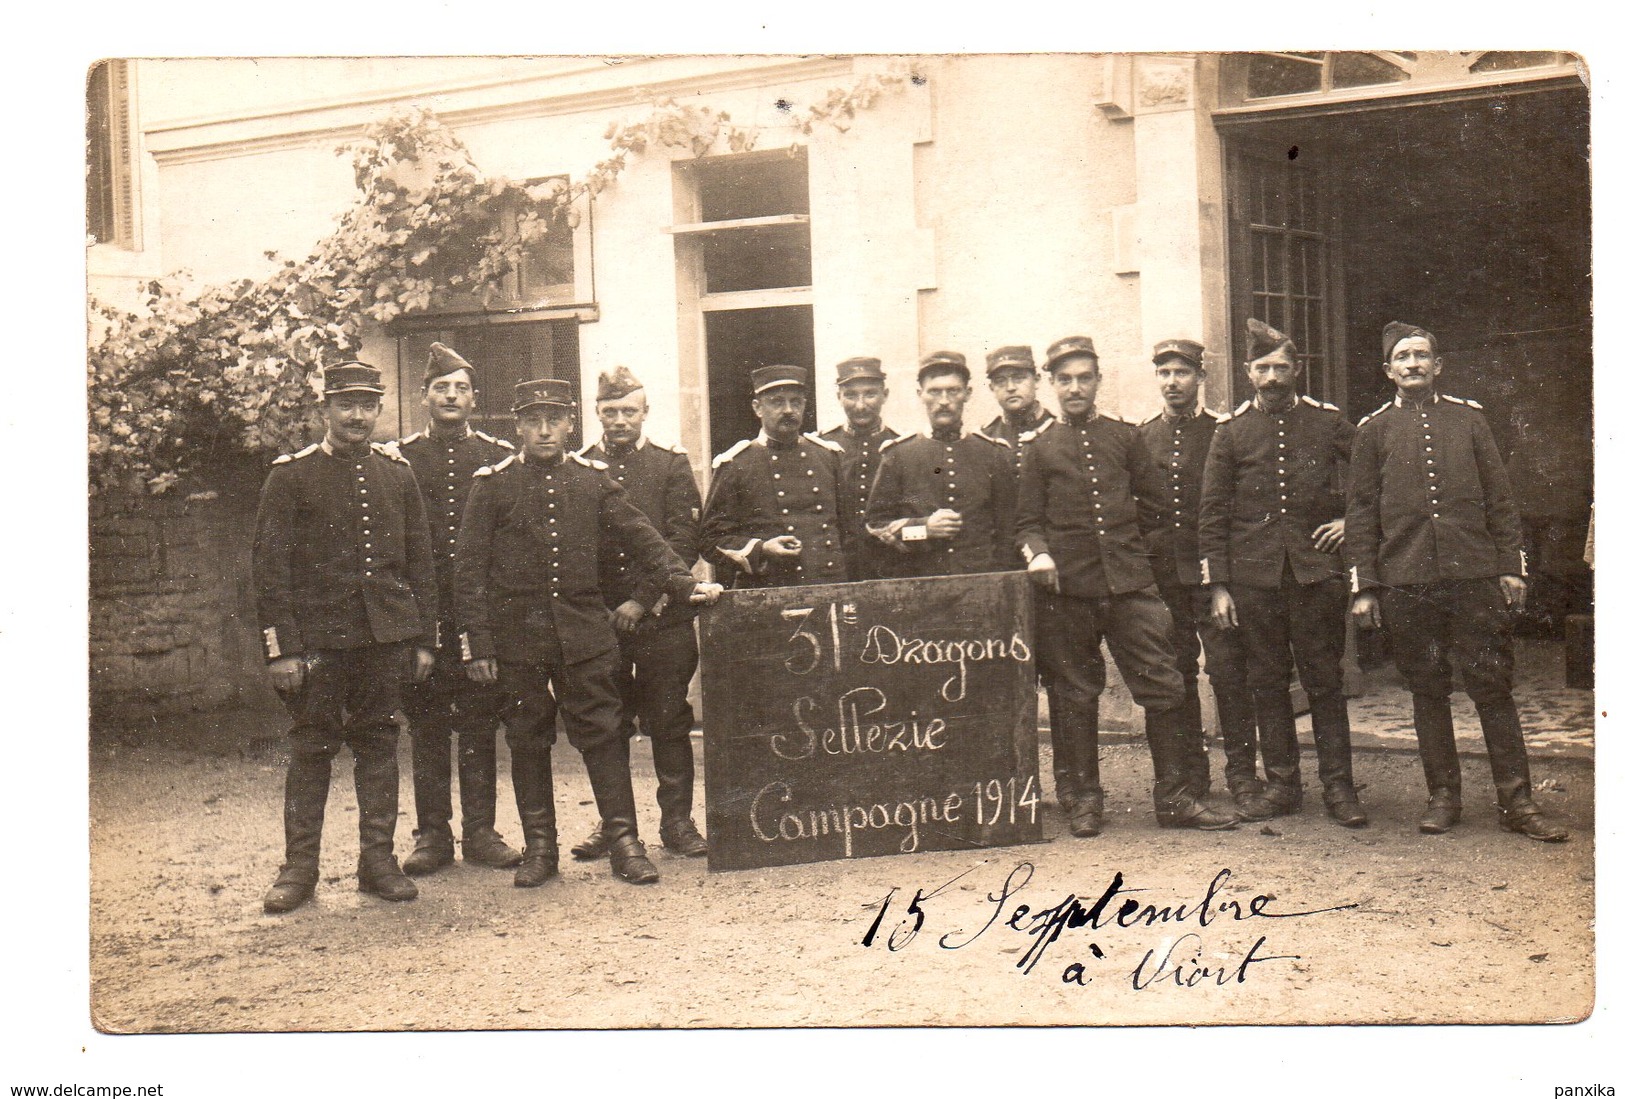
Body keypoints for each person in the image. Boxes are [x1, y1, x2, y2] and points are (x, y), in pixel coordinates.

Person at [454, 379, 724, 888]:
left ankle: (624, 842)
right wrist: (479, 645)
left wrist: (686, 584)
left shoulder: (593, 479)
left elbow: (644, 536)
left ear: (570, 424)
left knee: (603, 736)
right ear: (517, 427)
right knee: (528, 739)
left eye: (553, 419)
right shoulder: (492, 485)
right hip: (518, 642)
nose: (543, 430)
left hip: (583, 636)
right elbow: (467, 574)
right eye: (532, 420)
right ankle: (540, 848)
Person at [1345, 322, 1566, 841]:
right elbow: (1360, 514)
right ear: (1388, 371)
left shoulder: (1469, 421)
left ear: (1438, 365)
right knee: (1427, 688)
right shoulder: (1372, 431)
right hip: (1407, 579)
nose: (1413, 364)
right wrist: (1365, 585)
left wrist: (1511, 566)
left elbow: (1500, 500)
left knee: (1491, 685)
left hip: (1473, 576)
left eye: (1422, 355)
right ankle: (1443, 796)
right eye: (1403, 357)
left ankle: (1518, 802)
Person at [1016, 336, 1238, 836]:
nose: (1075, 388)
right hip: (1068, 592)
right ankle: (1082, 799)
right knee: (1074, 694)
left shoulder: (1124, 437)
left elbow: (1156, 506)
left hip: (1130, 586)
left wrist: (1143, 566)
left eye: (1084, 378)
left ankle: (1176, 798)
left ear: (1098, 381)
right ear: (1052, 384)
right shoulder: (1039, 448)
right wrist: (1042, 554)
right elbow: (1026, 523)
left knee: (1163, 685)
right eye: (1065, 380)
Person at [253, 362, 437, 913]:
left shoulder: (397, 474)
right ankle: (299, 869)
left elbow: (420, 562)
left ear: (378, 410)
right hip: (317, 642)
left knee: (379, 743)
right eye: (345, 406)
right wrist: (280, 648)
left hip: (384, 639)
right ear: (325, 411)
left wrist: (423, 639)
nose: (357, 417)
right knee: (312, 747)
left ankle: (376, 862)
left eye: (366, 406)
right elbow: (269, 569)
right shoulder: (290, 475)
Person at [1198, 319, 1367, 827]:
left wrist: (1349, 522)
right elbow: (1213, 512)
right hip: (1254, 580)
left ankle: (1339, 788)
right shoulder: (1230, 432)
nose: (1272, 377)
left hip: (1315, 575)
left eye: (1281, 367)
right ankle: (1283, 785)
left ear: (1298, 370)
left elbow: (1372, 478)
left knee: (1324, 680)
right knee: (1267, 682)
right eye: (1263, 368)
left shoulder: (1329, 422)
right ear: (1249, 373)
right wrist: (1220, 586)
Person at [391, 343, 522, 876]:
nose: (451, 396)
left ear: (474, 398)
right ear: (424, 397)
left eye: (461, 388)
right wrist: (413, 629)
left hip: (480, 615)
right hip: (421, 613)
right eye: (441, 388)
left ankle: (482, 831)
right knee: (425, 725)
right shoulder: (399, 459)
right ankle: (432, 835)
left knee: (477, 721)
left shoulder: (496, 456)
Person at [570, 365, 710, 862]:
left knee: (669, 719)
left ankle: (677, 822)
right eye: (610, 412)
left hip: (663, 618)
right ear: (597, 414)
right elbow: (575, 545)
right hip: (601, 621)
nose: (620, 420)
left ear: (645, 413)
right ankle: (615, 825)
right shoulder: (580, 466)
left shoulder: (671, 464)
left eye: (629, 411)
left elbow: (682, 541)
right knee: (608, 723)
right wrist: (610, 607)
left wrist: (642, 600)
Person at [1135, 338, 1258, 811]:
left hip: (1215, 578)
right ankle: (1191, 771)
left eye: (1181, 373)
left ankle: (1243, 775)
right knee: (1177, 673)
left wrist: (1222, 577)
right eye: (1164, 373)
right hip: (1164, 579)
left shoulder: (1223, 432)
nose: (1172, 383)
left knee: (1228, 671)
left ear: (1200, 378)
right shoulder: (1142, 437)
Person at [865, 350, 1019, 577]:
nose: (944, 401)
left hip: (981, 582)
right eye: (934, 392)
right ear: (920, 394)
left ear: (968, 393)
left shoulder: (992, 453)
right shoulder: (899, 455)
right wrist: (923, 529)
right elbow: (874, 528)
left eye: (953, 391)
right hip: (921, 585)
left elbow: (1009, 530)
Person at [700, 365, 847, 588]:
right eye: (777, 402)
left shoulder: (827, 456)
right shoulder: (736, 464)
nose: (788, 410)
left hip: (828, 584)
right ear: (757, 408)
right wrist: (762, 549)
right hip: (768, 589)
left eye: (795, 402)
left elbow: (849, 532)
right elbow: (711, 540)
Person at [819, 356, 900, 581]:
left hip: (889, 565)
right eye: (851, 395)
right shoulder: (823, 446)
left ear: (885, 395)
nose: (861, 405)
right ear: (839, 397)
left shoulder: (900, 448)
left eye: (870, 394)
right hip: (836, 566)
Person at [981, 344, 1056, 455]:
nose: (1010, 387)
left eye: (1019, 378)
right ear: (992, 388)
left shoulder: (1058, 428)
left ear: (1036, 380)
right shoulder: (986, 438)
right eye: (1000, 381)